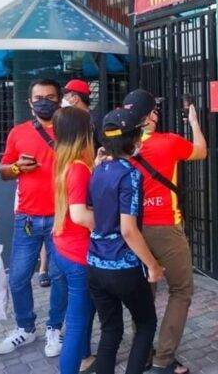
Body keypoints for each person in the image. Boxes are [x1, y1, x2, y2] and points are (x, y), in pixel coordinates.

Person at [123, 89, 207, 374]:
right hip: (166, 228)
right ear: (150, 116)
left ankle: (144, 352)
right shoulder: (168, 142)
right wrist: (194, 122)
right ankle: (164, 359)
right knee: (181, 290)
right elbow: (201, 151)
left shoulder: (120, 148)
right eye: (154, 110)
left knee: (144, 294)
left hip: (133, 229)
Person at [0, 79, 68, 357]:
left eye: (50, 96)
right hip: (26, 217)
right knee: (17, 278)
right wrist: (17, 167)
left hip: (61, 216)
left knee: (59, 276)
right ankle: (25, 328)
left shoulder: (69, 130)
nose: (44, 102)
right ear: (29, 102)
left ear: (59, 99)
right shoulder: (18, 132)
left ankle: (54, 328)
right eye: (38, 97)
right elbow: (3, 171)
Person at [89, 108, 163, 374]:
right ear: (133, 139)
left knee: (110, 330)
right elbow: (129, 230)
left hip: (95, 265)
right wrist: (152, 265)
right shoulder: (130, 174)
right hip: (123, 267)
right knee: (146, 324)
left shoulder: (98, 170)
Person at [52, 107, 97, 374]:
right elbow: (79, 214)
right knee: (77, 321)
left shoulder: (63, 160)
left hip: (64, 247)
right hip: (78, 253)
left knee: (83, 311)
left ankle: (84, 356)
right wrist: (110, 223)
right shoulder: (78, 168)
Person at [62, 78, 104, 152]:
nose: (63, 99)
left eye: (66, 96)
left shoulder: (95, 120)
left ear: (75, 99)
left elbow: (105, 146)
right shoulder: (70, 120)